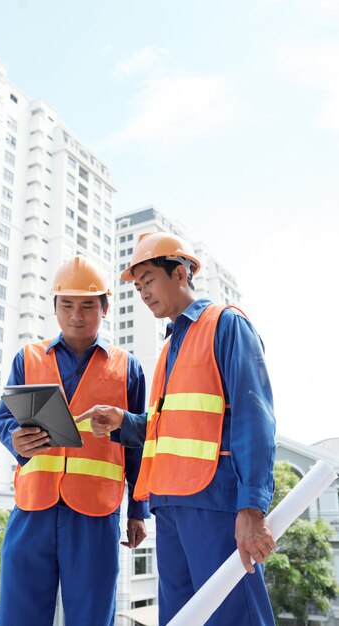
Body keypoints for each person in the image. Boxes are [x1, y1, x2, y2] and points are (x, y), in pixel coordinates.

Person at [77, 232, 276, 626]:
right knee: (182, 619)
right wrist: (124, 423)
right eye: (137, 287)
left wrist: (251, 507)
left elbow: (255, 418)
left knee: (231, 616)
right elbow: (169, 428)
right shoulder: (169, 346)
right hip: (168, 505)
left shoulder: (225, 324)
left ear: (181, 273)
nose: (143, 293)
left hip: (215, 502)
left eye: (148, 280)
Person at [0, 254, 149, 626]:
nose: (76, 315)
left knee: (92, 616)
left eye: (87, 306)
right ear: (55, 308)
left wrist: (138, 510)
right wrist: (15, 438)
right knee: (18, 614)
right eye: (67, 305)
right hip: (33, 508)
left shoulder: (127, 368)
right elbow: (3, 419)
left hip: (95, 513)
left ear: (105, 308)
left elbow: (139, 443)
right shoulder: (28, 358)